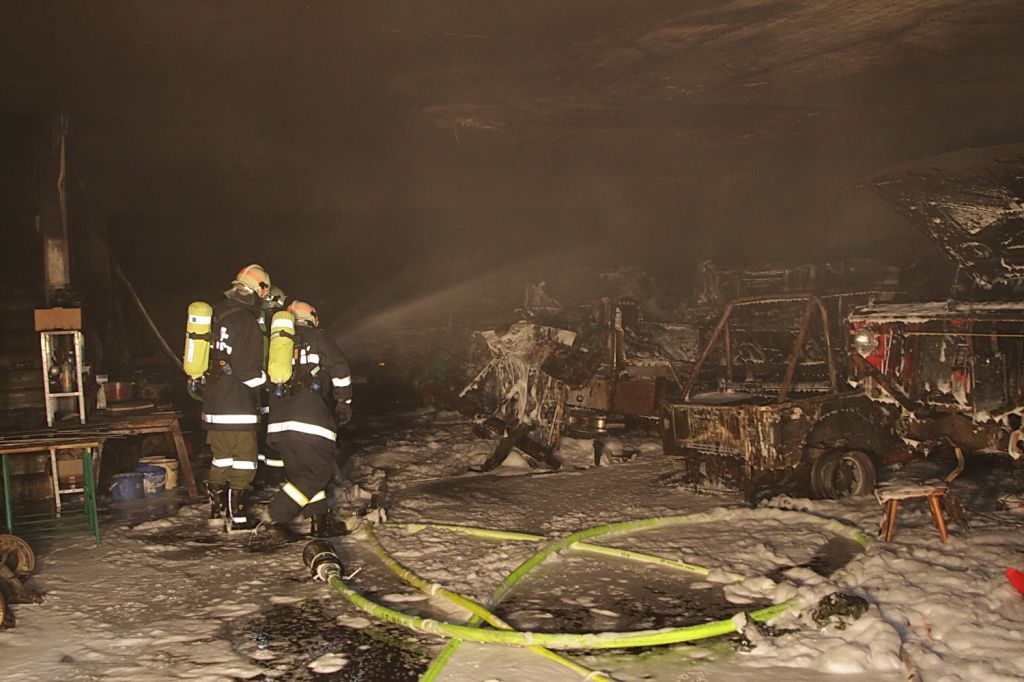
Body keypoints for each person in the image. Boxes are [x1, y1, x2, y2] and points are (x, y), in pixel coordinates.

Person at [258, 299, 353, 540]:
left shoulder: (277, 344)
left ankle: (319, 523)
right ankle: (275, 515)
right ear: (312, 318)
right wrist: (344, 403)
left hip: (279, 424)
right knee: (318, 472)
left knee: (303, 474)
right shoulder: (318, 337)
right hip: (309, 420)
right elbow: (340, 370)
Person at [203, 264, 271, 530]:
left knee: (221, 458)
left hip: (214, 403)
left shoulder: (218, 314)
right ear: (258, 291)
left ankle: (216, 511)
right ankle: (238, 518)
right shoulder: (245, 321)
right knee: (244, 460)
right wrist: (270, 382)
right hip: (237, 406)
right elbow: (247, 371)